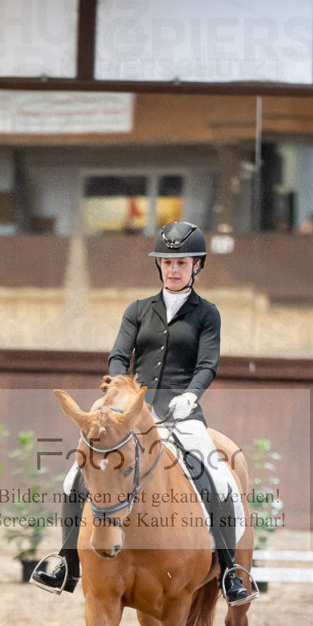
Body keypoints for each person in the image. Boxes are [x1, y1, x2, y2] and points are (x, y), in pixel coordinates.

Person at [31, 221, 256, 605]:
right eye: (167, 262)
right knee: (75, 477)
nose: (173, 270)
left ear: (197, 266)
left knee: (216, 478)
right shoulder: (138, 310)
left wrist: (191, 395)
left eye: (181, 263)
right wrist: (120, 391)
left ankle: (229, 571)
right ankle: (66, 562)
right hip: (132, 414)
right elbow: (119, 355)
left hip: (182, 415)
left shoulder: (208, 314)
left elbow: (207, 365)